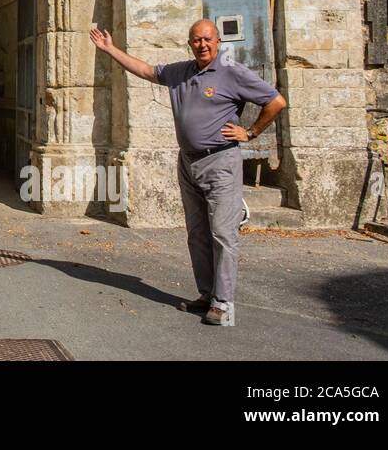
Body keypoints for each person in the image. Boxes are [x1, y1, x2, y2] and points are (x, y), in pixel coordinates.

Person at [89, 19, 287, 327]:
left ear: (218, 42)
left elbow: (276, 101)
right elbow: (145, 70)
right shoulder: (181, 71)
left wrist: (251, 132)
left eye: (207, 40)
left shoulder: (231, 72)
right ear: (189, 43)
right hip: (189, 162)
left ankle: (223, 304)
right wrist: (110, 49)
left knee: (223, 233)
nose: (202, 45)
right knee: (197, 233)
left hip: (221, 161)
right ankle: (207, 294)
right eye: (196, 40)